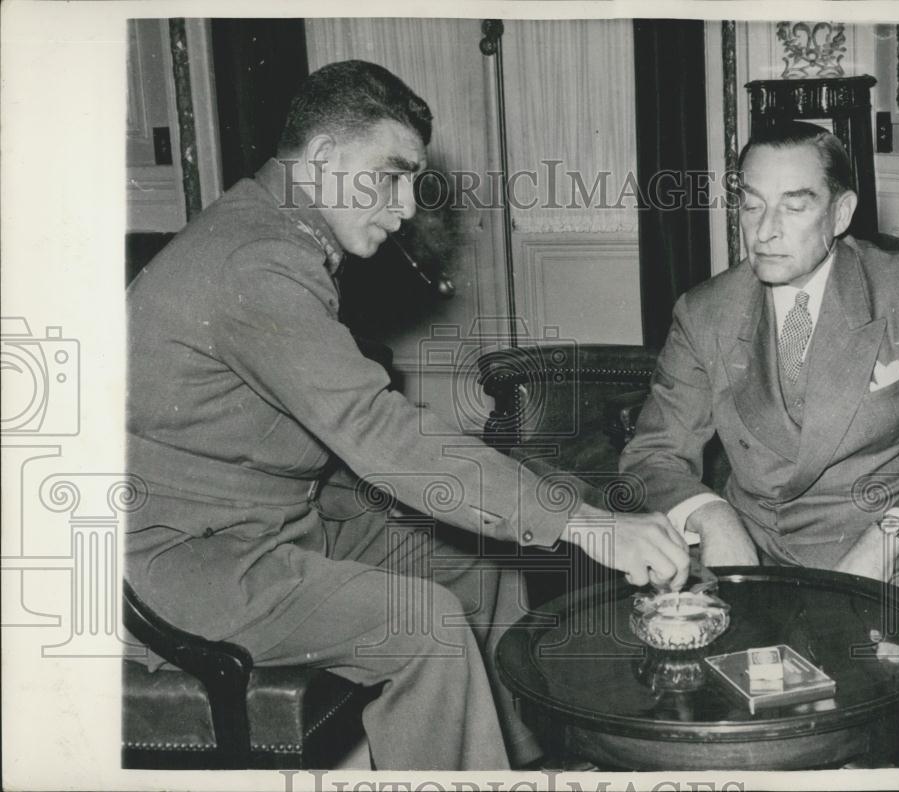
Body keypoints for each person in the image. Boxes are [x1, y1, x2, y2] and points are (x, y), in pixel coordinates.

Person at [125, 59, 690, 771]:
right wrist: (587, 524)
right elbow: (381, 434)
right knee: (429, 628)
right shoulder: (259, 262)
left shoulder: (275, 231)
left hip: (264, 525)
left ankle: (515, 765)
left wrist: (554, 501)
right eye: (390, 177)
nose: (402, 210)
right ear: (325, 158)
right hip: (184, 562)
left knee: (474, 558)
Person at [621, 121, 899, 615]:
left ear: (840, 213)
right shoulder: (705, 311)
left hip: (889, 550)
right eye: (751, 204)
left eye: (794, 205)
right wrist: (712, 517)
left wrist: (887, 536)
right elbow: (654, 457)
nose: (765, 231)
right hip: (751, 550)